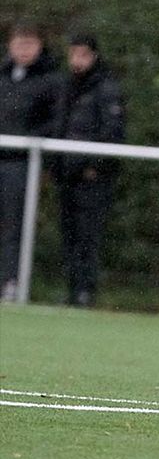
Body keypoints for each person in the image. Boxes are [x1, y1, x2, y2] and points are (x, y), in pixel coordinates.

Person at [49, 34, 125, 307]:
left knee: (87, 236)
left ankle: (85, 291)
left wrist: (95, 165)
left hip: (92, 178)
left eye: (82, 55)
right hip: (67, 174)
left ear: (93, 56)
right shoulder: (65, 86)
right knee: (69, 234)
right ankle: (72, 289)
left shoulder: (106, 89)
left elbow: (113, 133)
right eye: (73, 54)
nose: (77, 61)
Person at [0, 23, 60, 303]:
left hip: (20, 163)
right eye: (19, 43)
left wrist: (28, 140)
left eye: (29, 44)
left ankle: (10, 281)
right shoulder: (2, 76)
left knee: (13, 226)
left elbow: (54, 122)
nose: (23, 50)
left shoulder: (50, 81)